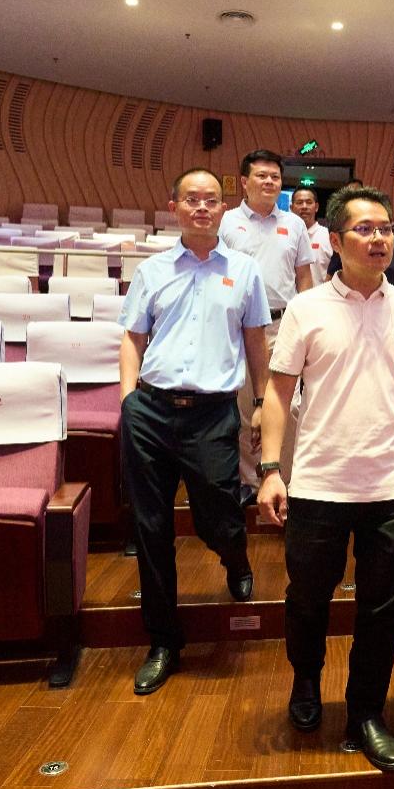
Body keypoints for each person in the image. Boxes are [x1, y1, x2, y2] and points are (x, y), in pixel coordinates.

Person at [257, 185, 394, 773]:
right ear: (335, 241)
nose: (379, 238)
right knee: (308, 599)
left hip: (390, 484)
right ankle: (306, 681)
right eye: (365, 229)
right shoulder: (307, 308)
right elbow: (278, 393)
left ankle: (366, 711)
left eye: (386, 229)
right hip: (319, 483)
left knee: (382, 610)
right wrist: (270, 469)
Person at [119, 167, 271, 695]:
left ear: (223, 209)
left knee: (219, 513)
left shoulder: (244, 271)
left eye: (210, 200)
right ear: (174, 208)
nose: (202, 207)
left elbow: (256, 343)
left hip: (212, 413)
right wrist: (128, 400)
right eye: (191, 200)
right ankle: (164, 641)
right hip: (151, 410)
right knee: (151, 527)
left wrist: (261, 406)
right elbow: (133, 338)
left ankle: (234, 554)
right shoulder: (152, 271)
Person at [219, 149, 313, 499]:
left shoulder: (295, 224)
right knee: (247, 409)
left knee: (288, 407)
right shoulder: (226, 222)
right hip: (241, 329)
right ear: (244, 182)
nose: (270, 182)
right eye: (262, 176)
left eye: (275, 177)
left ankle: (283, 480)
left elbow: (304, 278)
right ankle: (250, 482)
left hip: (282, 325)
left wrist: (308, 322)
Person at [289, 187, 331, 287]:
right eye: (299, 202)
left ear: (316, 207)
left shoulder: (328, 236)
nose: (304, 206)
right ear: (291, 208)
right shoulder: (285, 236)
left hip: (321, 296)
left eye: (308, 202)